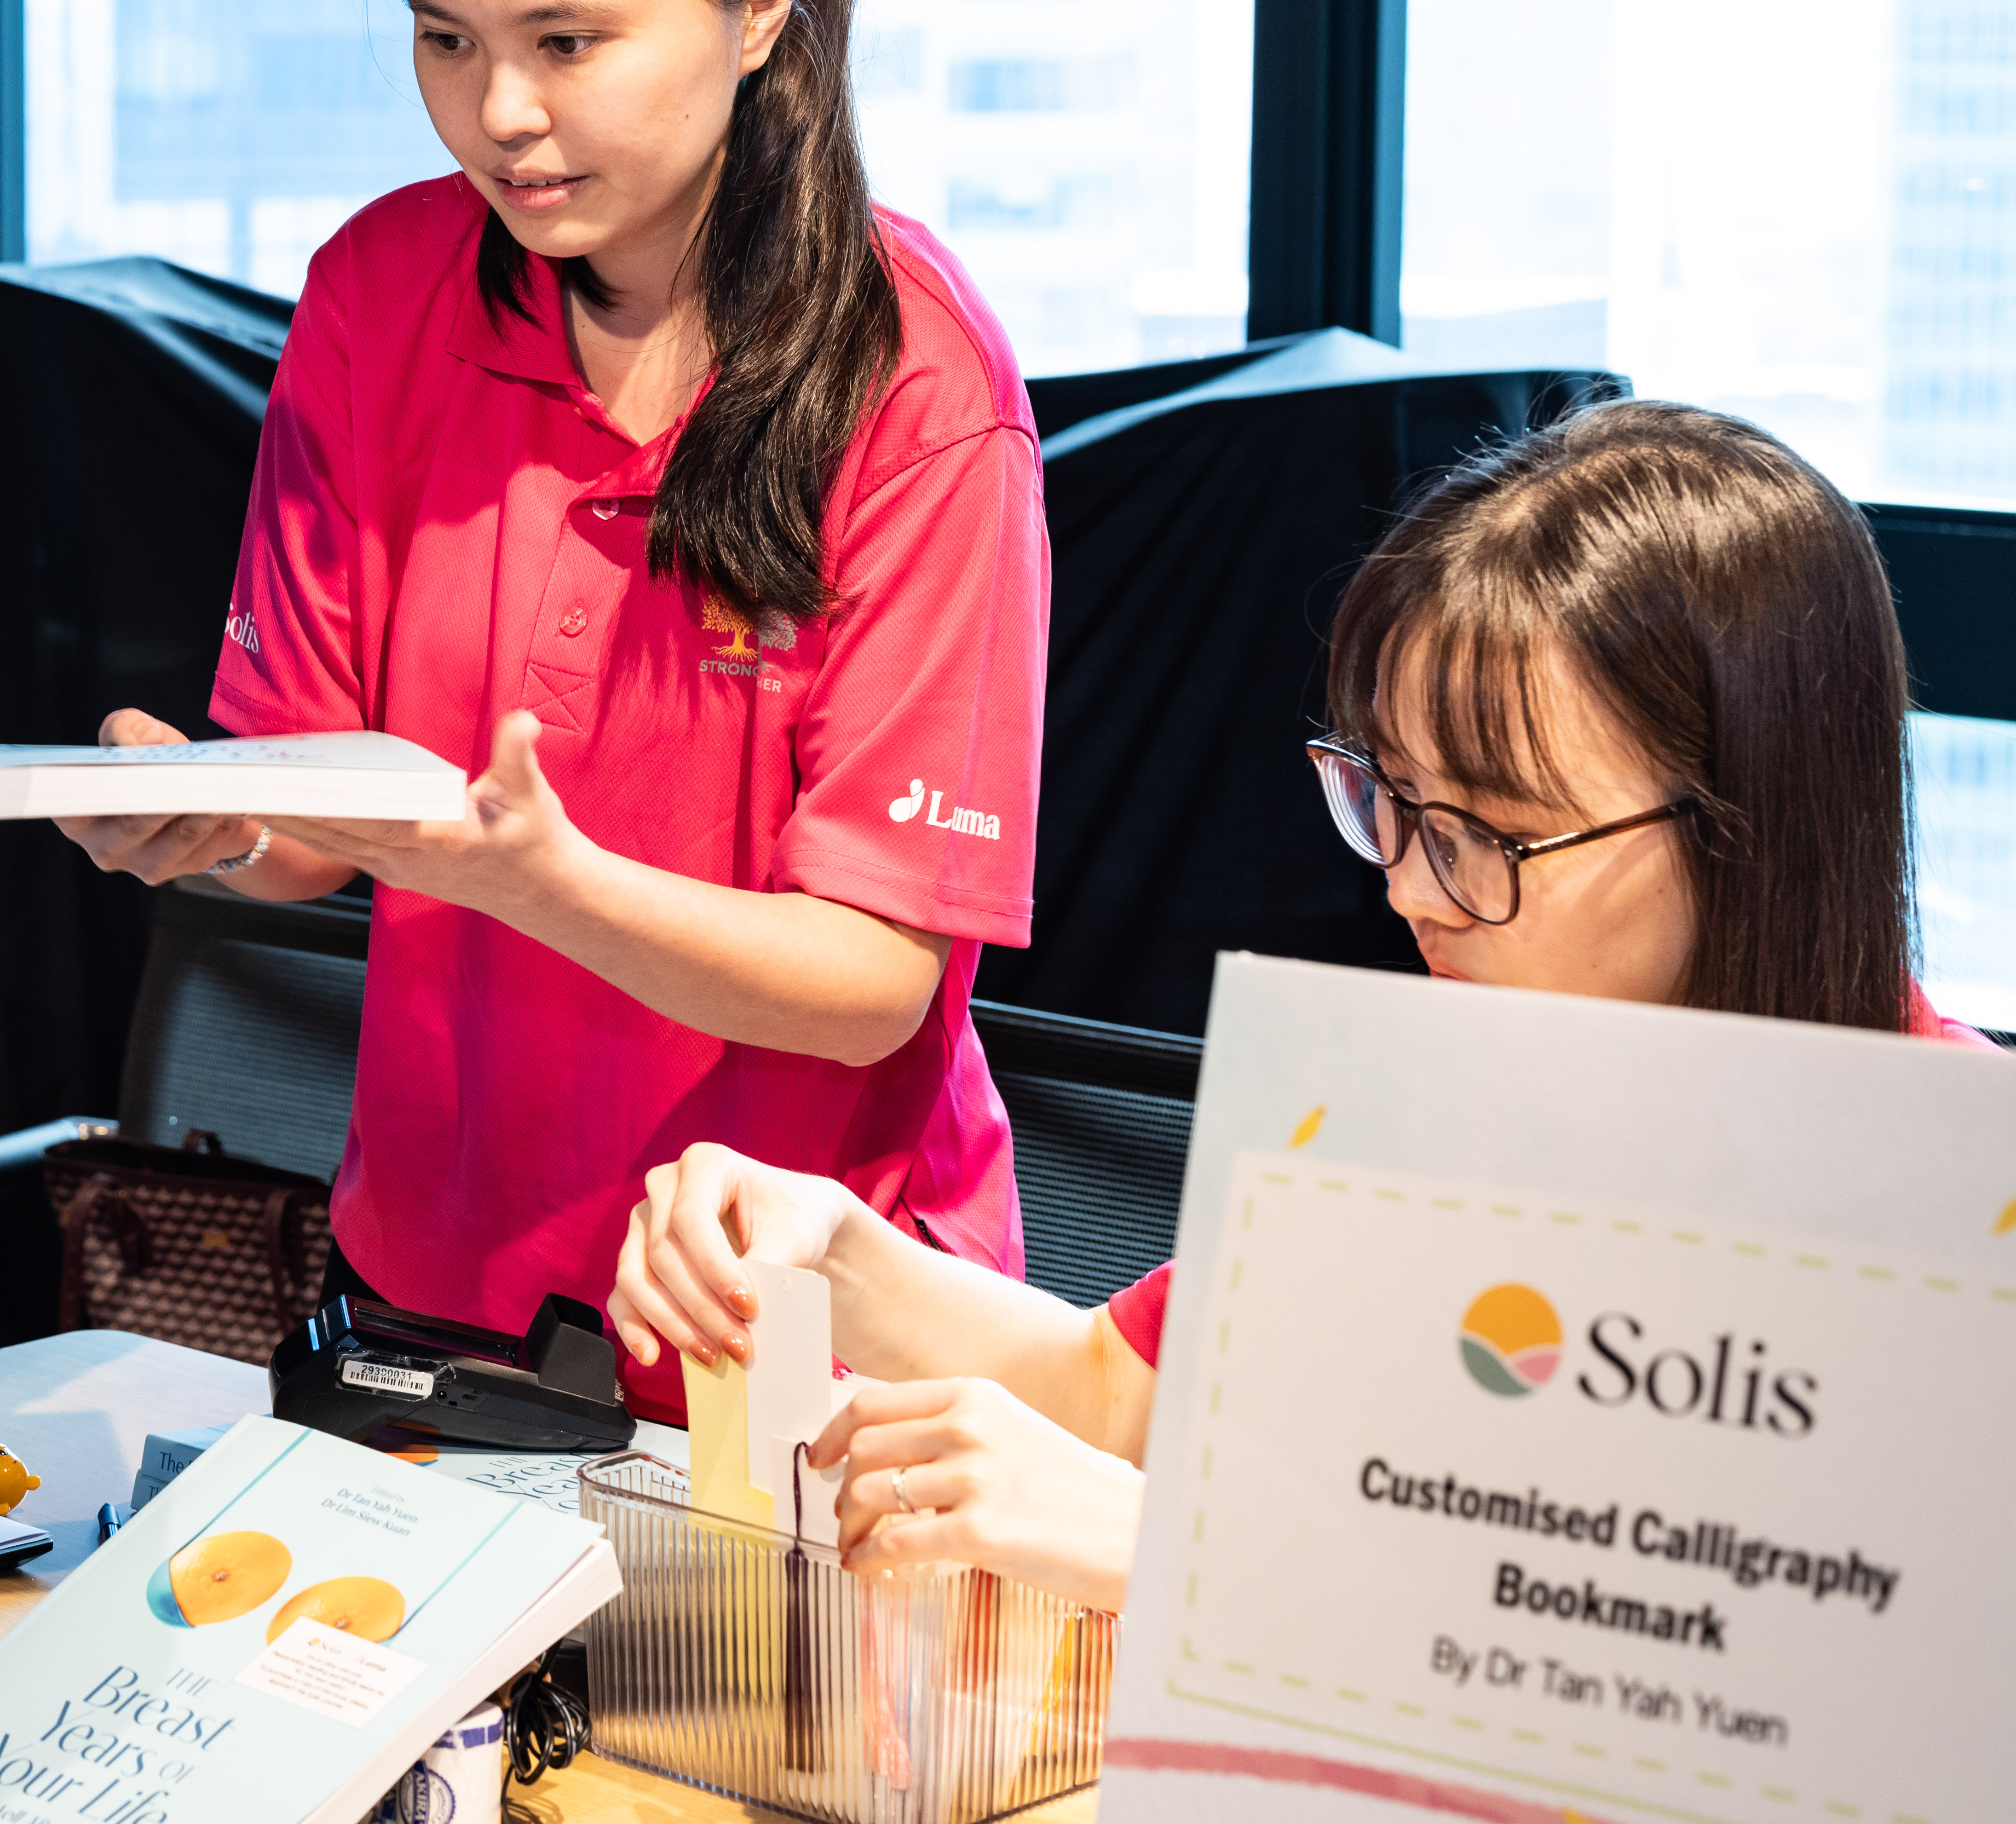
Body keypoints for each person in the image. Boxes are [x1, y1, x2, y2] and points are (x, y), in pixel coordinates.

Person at [58, 0, 1049, 1422]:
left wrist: (538, 878)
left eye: (565, 42)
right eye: (445, 39)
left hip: (797, 1333)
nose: (497, 110)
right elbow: (305, 833)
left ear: (761, 1)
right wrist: (198, 826)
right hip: (438, 1299)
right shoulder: (381, 293)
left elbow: (872, 989)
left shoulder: (916, 382)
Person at [605, 398, 1993, 1613]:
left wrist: (1189, 1555)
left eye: (1494, 834)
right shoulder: (1428, 1081)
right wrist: (833, 1249)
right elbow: (1118, 1391)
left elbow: (1733, 1675)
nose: (1414, 891)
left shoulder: (1954, 1204)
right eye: (1386, 801)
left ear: (1743, 828)